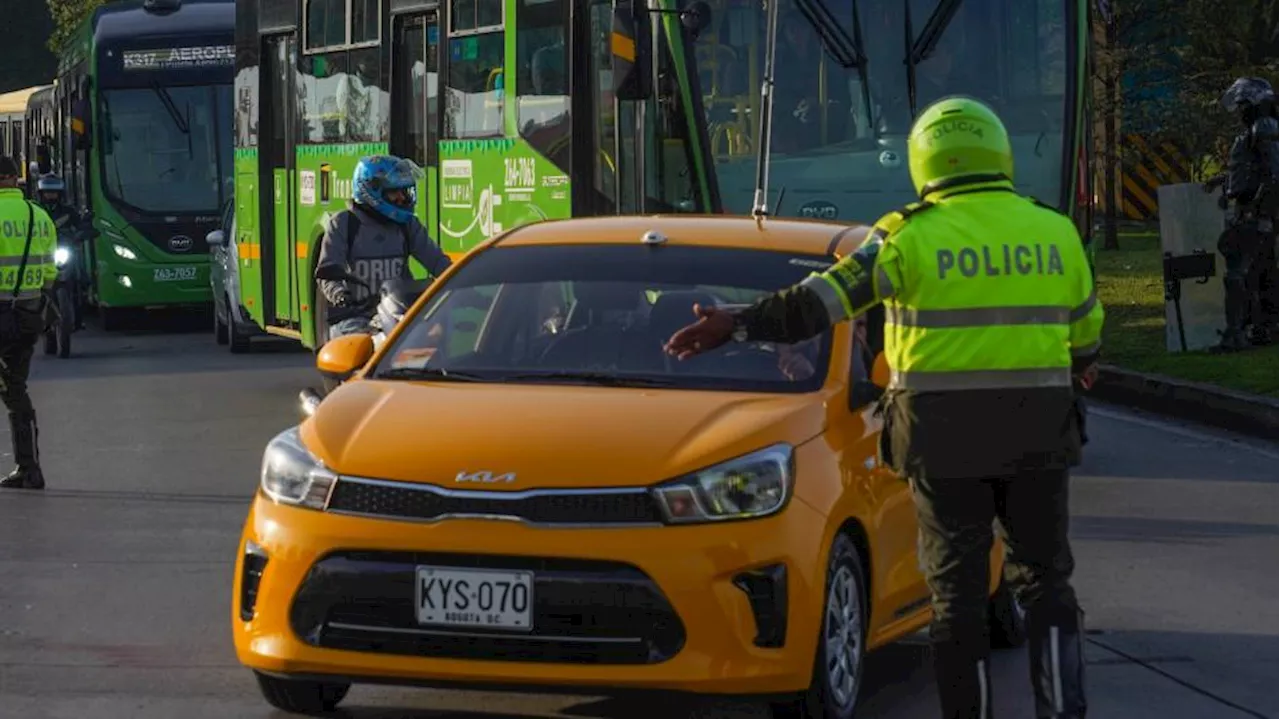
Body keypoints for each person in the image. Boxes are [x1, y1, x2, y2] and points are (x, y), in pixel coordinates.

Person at [664, 96, 1100, 719]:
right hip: (1038, 432)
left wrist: (735, 324)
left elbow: (816, 305)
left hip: (943, 443)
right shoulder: (1055, 232)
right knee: (1047, 584)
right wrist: (1076, 364)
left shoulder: (905, 238)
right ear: (998, 153)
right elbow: (1087, 339)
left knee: (959, 599)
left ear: (925, 162)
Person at [314, 155, 452, 342]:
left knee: (437, 344)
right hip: (356, 317)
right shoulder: (343, 224)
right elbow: (327, 273)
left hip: (398, 315)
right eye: (395, 192)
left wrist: (460, 283)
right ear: (370, 191)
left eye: (404, 192)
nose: (402, 198)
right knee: (357, 352)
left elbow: (437, 262)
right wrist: (339, 295)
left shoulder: (407, 225)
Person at [1208, 77, 1280, 350]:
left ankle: (1235, 334)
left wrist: (1255, 207)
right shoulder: (1261, 129)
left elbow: (1273, 175)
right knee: (1261, 272)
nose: (1239, 111)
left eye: (1242, 106)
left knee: (1237, 272)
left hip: (1253, 212)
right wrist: (1224, 180)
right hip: (1256, 211)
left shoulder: (1263, 127)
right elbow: (1251, 170)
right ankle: (1262, 328)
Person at [0, 156, 58, 490]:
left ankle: (27, 469)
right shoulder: (40, 216)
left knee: (11, 390)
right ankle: (29, 467)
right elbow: (51, 269)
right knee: (16, 390)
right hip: (29, 316)